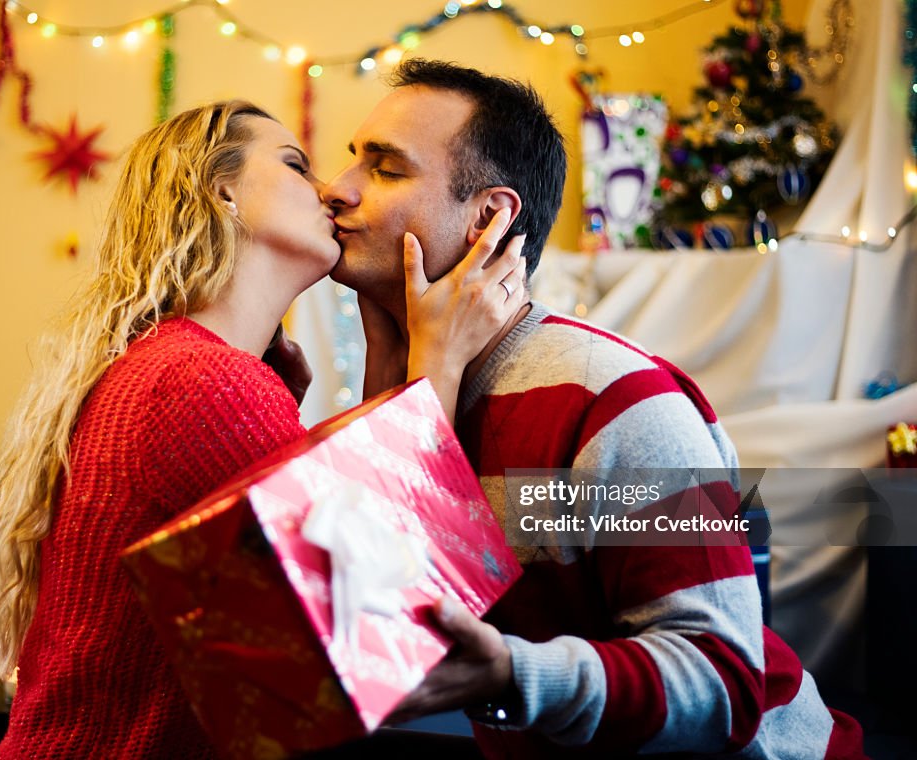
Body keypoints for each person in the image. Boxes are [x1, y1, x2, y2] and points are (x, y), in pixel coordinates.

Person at [322, 59, 866, 758]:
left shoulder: (611, 398)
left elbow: (723, 685)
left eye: (386, 168)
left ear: (489, 219)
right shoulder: (413, 391)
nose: (336, 191)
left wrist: (512, 675)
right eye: (351, 162)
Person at [0, 99, 527, 758]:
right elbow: (369, 630)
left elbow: (342, 549)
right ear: (222, 192)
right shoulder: (203, 383)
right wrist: (439, 365)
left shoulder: (173, 360)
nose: (331, 190)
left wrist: (385, 362)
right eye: (295, 165)